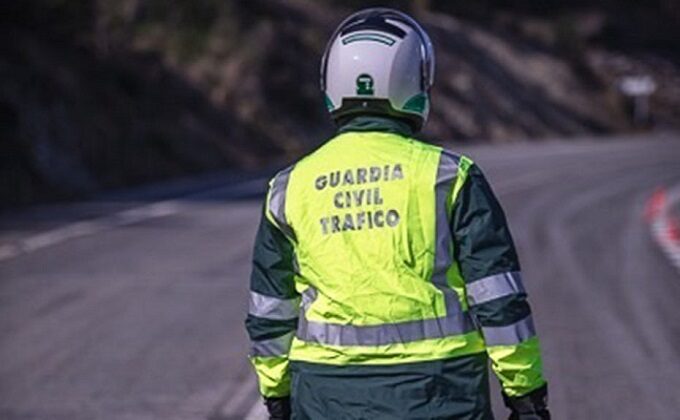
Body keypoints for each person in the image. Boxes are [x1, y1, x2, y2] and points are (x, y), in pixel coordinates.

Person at [245, 8, 550, 420]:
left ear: (331, 83)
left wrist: (277, 395)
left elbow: (270, 310)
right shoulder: (450, 177)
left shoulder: (288, 187)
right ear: (414, 82)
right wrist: (525, 394)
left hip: (326, 396)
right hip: (440, 392)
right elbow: (499, 299)